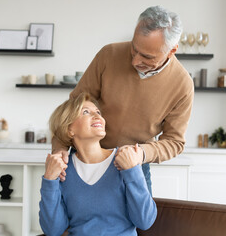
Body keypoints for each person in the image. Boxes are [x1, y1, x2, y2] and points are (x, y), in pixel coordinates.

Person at [52, 5, 194, 193]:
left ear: (172, 50)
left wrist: (140, 154)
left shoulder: (182, 85)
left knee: (140, 222)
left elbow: (175, 142)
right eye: (134, 49)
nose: (135, 61)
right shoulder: (108, 55)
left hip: (132, 167)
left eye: (147, 56)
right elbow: (75, 105)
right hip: (85, 159)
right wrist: (60, 146)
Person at [39, 93, 157, 235]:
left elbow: (145, 221)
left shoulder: (125, 161)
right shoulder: (63, 170)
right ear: (69, 129)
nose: (97, 116)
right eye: (86, 112)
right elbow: (53, 230)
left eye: (98, 112)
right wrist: (49, 180)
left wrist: (132, 171)